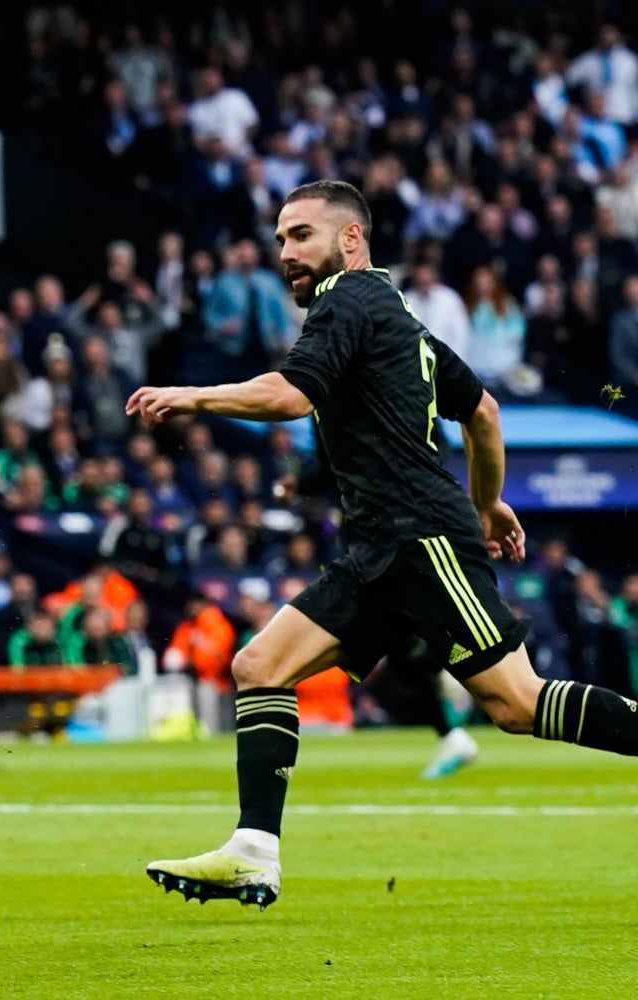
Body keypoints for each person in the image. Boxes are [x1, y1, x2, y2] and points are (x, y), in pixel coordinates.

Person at [126, 180, 638, 909]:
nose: (286, 252)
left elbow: (290, 396)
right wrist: (489, 502)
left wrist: (192, 395)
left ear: (351, 239)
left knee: (517, 705)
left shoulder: (350, 298)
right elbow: (483, 412)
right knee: (261, 665)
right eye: (278, 239)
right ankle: (253, 850)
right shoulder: (400, 321)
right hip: (377, 548)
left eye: (300, 234)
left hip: (421, 539)